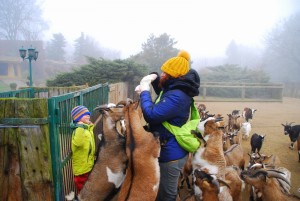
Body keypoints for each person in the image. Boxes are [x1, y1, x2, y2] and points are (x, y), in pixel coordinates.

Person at [135, 50, 200, 201]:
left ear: (174, 76)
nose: (162, 74)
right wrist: (155, 77)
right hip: (168, 147)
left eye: (165, 73)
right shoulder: (177, 88)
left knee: (166, 195)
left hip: (171, 155)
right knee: (160, 191)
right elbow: (164, 92)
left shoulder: (177, 96)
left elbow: (152, 115)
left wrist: (145, 91)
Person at [70, 105, 96, 194]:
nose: (88, 116)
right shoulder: (78, 130)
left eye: (89, 114)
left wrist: (90, 127)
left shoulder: (87, 129)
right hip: (81, 169)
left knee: (89, 189)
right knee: (83, 192)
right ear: (78, 118)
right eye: (85, 114)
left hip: (88, 166)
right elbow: (78, 143)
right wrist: (81, 127)